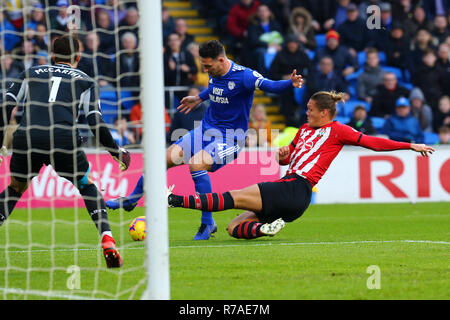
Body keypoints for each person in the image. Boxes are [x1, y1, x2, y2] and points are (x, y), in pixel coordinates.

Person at [166, 91, 434, 240]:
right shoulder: (304, 129)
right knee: (234, 227)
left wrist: (410, 146)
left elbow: (372, 142)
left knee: (231, 198)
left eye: (310, 109)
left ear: (324, 113)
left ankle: (174, 200)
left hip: (297, 188)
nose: (306, 112)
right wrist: (282, 155)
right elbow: (286, 158)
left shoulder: (338, 130)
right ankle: (265, 229)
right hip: (292, 195)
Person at [106, 40, 304, 240]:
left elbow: (270, 85)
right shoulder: (214, 73)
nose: (205, 69)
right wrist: (199, 98)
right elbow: (215, 89)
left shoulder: (244, 75)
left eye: (208, 65)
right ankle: (132, 199)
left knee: (196, 164)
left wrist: (290, 83)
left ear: (221, 60)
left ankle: (207, 222)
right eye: (203, 65)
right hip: (205, 130)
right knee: (162, 160)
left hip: (231, 138)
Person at [0, 35, 131, 268]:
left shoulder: (30, 72)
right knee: (86, 184)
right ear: (78, 58)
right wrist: (115, 150)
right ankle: (107, 238)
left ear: (52, 55)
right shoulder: (86, 80)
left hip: (28, 136)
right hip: (63, 138)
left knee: (15, 188)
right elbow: (94, 120)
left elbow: (7, 104)